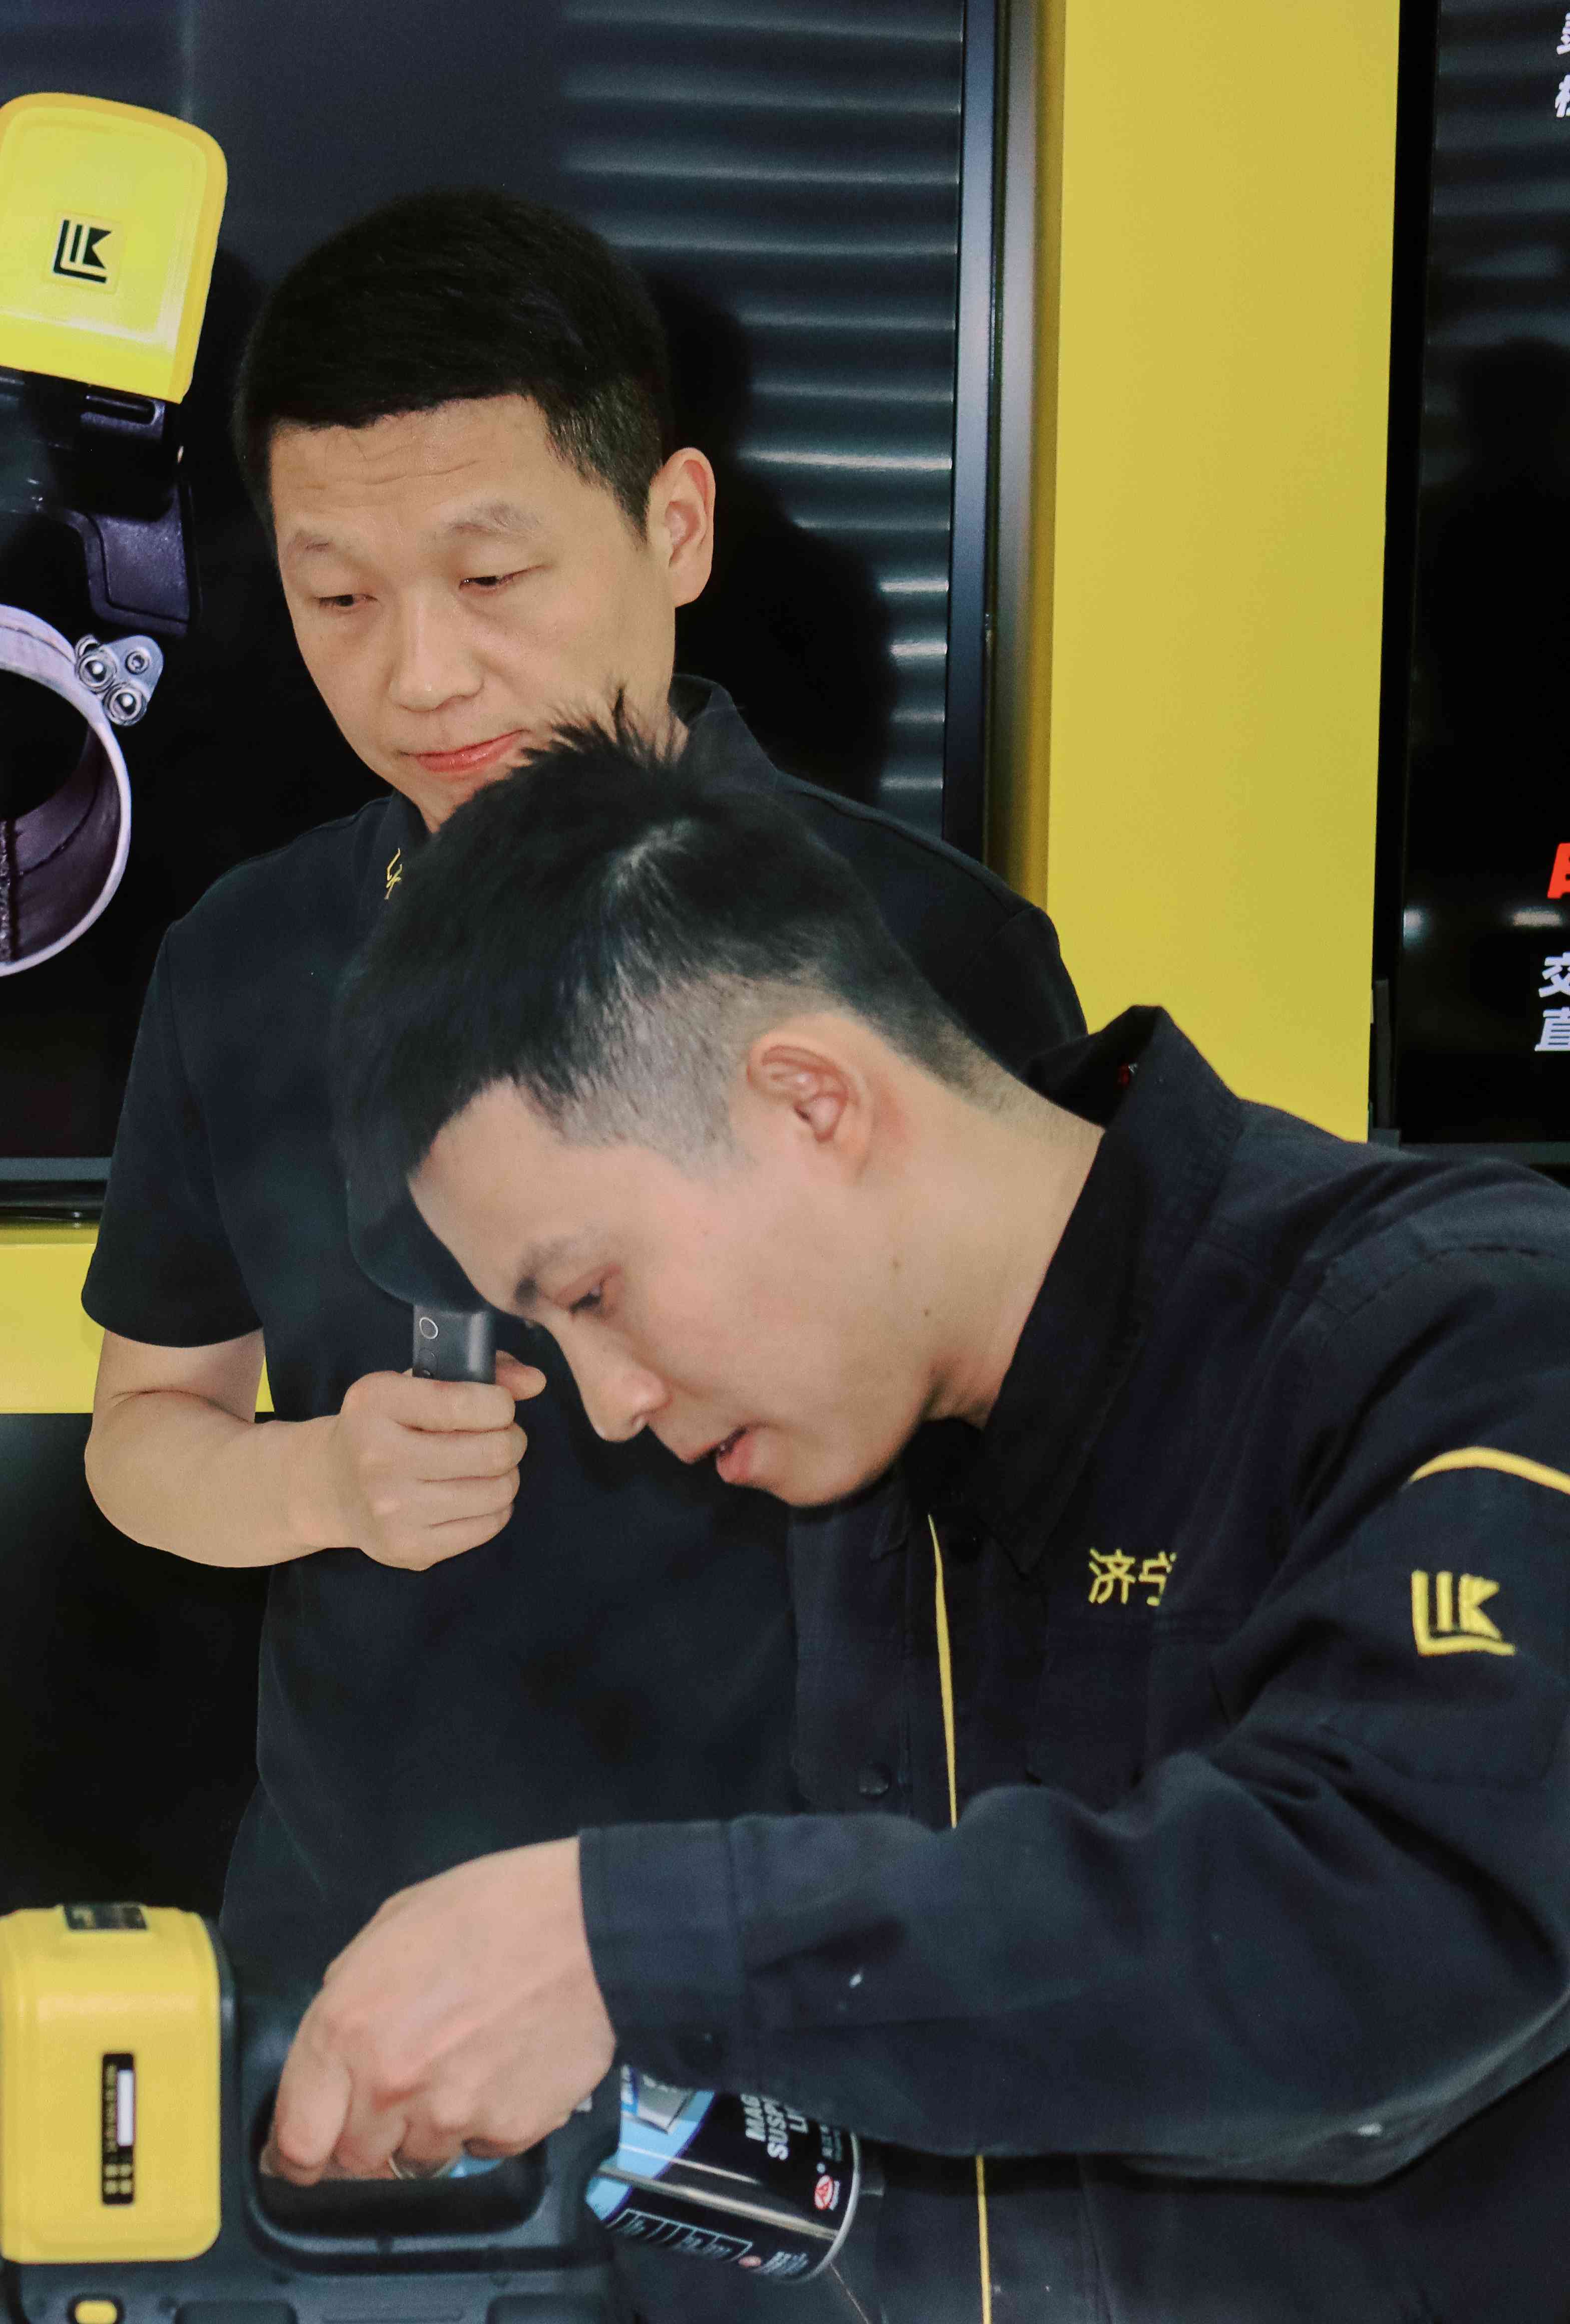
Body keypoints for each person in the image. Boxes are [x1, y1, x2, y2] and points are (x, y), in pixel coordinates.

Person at [282, 724, 1570, 2319]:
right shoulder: (865, 1480)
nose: (606, 1403)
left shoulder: (1472, 1327)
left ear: (811, 1101)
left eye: (595, 1293)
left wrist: (624, 1942)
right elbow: (949, 2085)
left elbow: (1398, 1931)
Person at [79, 187, 1085, 2041]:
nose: (419, 674)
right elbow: (145, 1433)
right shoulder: (246, 956)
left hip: (807, 1959)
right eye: (338, 597)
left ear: (674, 527)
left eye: (492, 579)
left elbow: (1077, 1505)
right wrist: (322, 1483)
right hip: (362, 1961)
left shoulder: (929, 954)